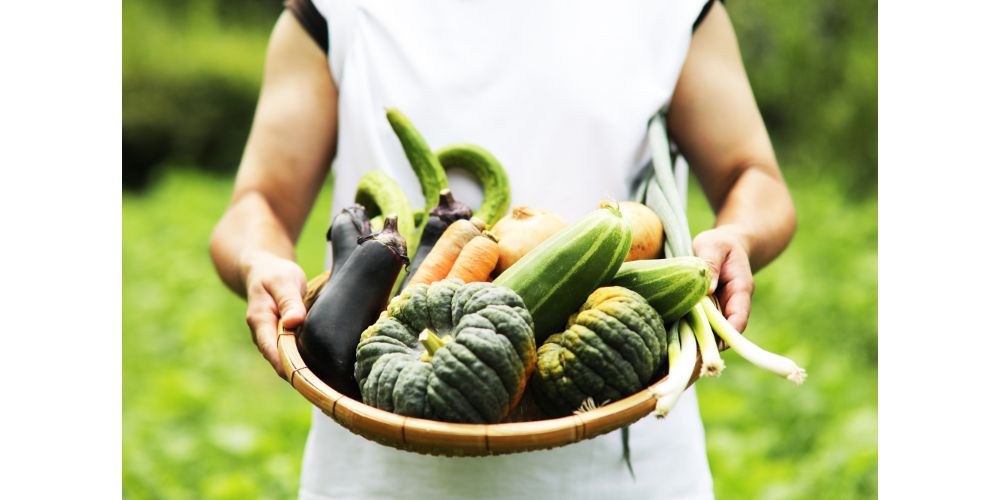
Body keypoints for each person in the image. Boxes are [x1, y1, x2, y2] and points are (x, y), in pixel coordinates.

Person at [210, 0, 796, 498]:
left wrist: (737, 235)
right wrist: (257, 257)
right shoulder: (334, 8)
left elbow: (756, 178)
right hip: (379, 455)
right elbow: (256, 202)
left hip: (623, 450)